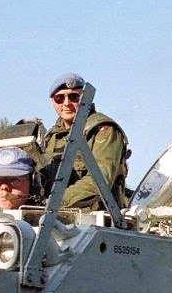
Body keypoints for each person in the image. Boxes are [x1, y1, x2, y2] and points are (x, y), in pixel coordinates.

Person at [42, 73, 129, 210]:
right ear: (52, 102)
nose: (66, 103)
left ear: (86, 98)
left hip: (95, 217)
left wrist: (54, 202)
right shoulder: (52, 137)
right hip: (56, 214)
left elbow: (100, 181)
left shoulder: (102, 129)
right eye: (59, 98)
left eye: (74, 97)